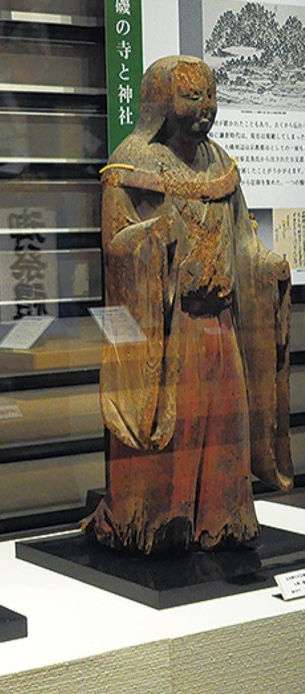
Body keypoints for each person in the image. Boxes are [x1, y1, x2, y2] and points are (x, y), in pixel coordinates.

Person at [85, 55, 292, 554]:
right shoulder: (133, 163)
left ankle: (220, 519)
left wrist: (264, 266)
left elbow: (241, 240)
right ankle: (160, 522)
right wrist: (150, 240)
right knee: (176, 430)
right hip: (170, 328)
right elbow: (115, 246)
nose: (206, 108)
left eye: (210, 96)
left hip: (221, 325)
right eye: (192, 97)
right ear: (161, 102)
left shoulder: (221, 164)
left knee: (226, 424)